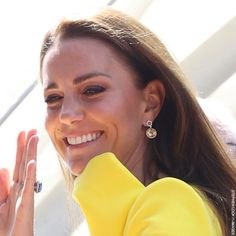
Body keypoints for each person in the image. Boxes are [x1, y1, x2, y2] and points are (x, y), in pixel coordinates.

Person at [0, 7, 236, 236]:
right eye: (53, 98)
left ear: (150, 103)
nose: (66, 115)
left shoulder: (172, 204)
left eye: (92, 90)